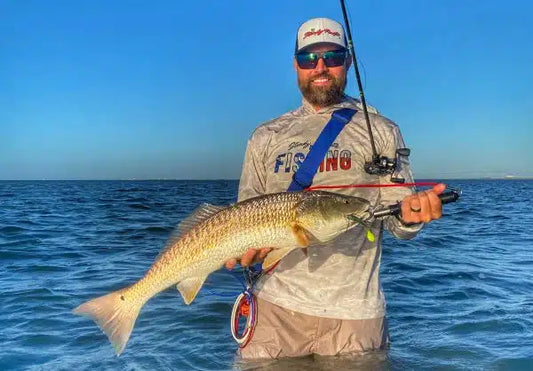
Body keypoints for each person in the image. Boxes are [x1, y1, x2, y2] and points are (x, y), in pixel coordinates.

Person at [225, 17, 445, 359]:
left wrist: (412, 217)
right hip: (275, 311)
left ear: (349, 62)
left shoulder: (381, 131)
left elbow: (398, 219)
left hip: (354, 317)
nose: (321, 67)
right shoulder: (264, 136)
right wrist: (245, 251)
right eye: (309, 59)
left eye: (333, 57)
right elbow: (247, 215)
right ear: (296, 65)